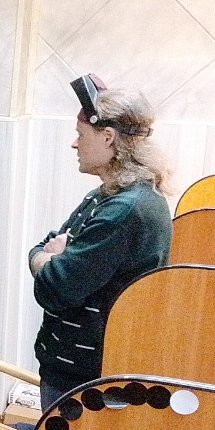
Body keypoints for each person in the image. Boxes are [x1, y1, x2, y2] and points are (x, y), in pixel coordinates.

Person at [28, 74, 173, 410]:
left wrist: (47, 261)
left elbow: (56, 287)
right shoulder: (108, 196)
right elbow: (49, 244)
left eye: (81, 135)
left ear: (107, 137)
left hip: (91, 381)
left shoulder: (126, 209)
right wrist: (52, 257)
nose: (74, 144)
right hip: (74, 371)